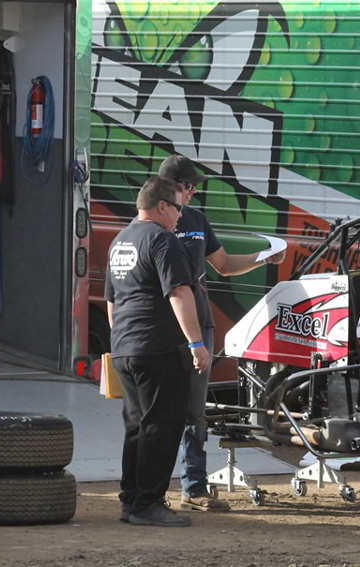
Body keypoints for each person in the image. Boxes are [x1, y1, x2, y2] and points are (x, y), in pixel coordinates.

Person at [158, 154, 285, 512]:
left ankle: (193, 487)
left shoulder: (197, 219)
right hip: (163, 325)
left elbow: (224, 265)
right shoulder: (152, 223)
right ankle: (150, 490)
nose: (194, 192)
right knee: (159, 409)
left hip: (201, 323)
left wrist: (264, 257)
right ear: (172, 187)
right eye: (189, 186)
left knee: (194, 409)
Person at [105, 176, 211, 528]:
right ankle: (148, 503)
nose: (181, 215)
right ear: (162, 206)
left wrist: (121, 340)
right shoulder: (163, 240)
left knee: (137, 426)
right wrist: (196, 343)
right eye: (178, 207)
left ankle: (131, 501)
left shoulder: (121, 240)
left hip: (126, 347)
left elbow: (112, 301)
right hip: (158, 349)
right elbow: (179, 293)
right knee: (162, 426)